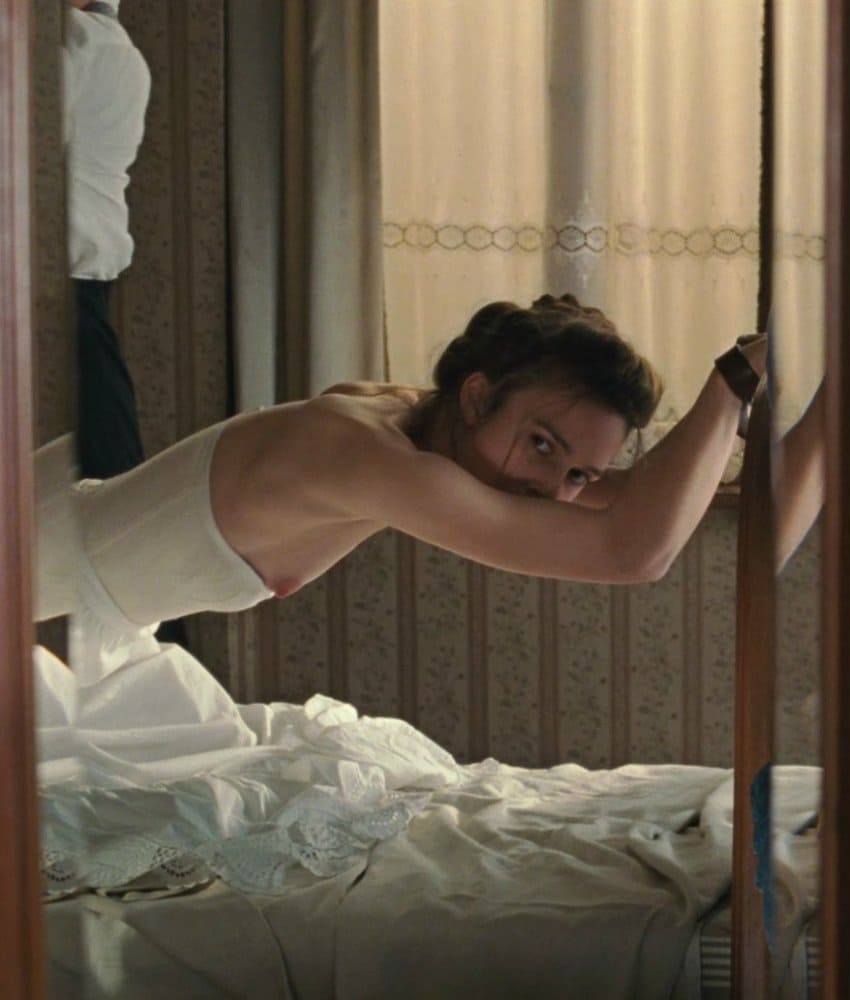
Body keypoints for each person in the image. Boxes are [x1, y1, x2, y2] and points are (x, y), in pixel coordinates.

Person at [35, 294, 766, 646]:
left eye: (578, 474)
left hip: (75, 594)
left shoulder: (421, 424)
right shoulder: (373, 460)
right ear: (476, 396)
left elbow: (637, 502)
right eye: (543, 445)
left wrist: (759, 401)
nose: (552, 493)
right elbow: (635, 552)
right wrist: (733, 381)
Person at [63, 0, 150, 480]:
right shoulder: (115, 48)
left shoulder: (76, 40)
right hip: (78, 278)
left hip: (57, 279)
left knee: (93, 473)